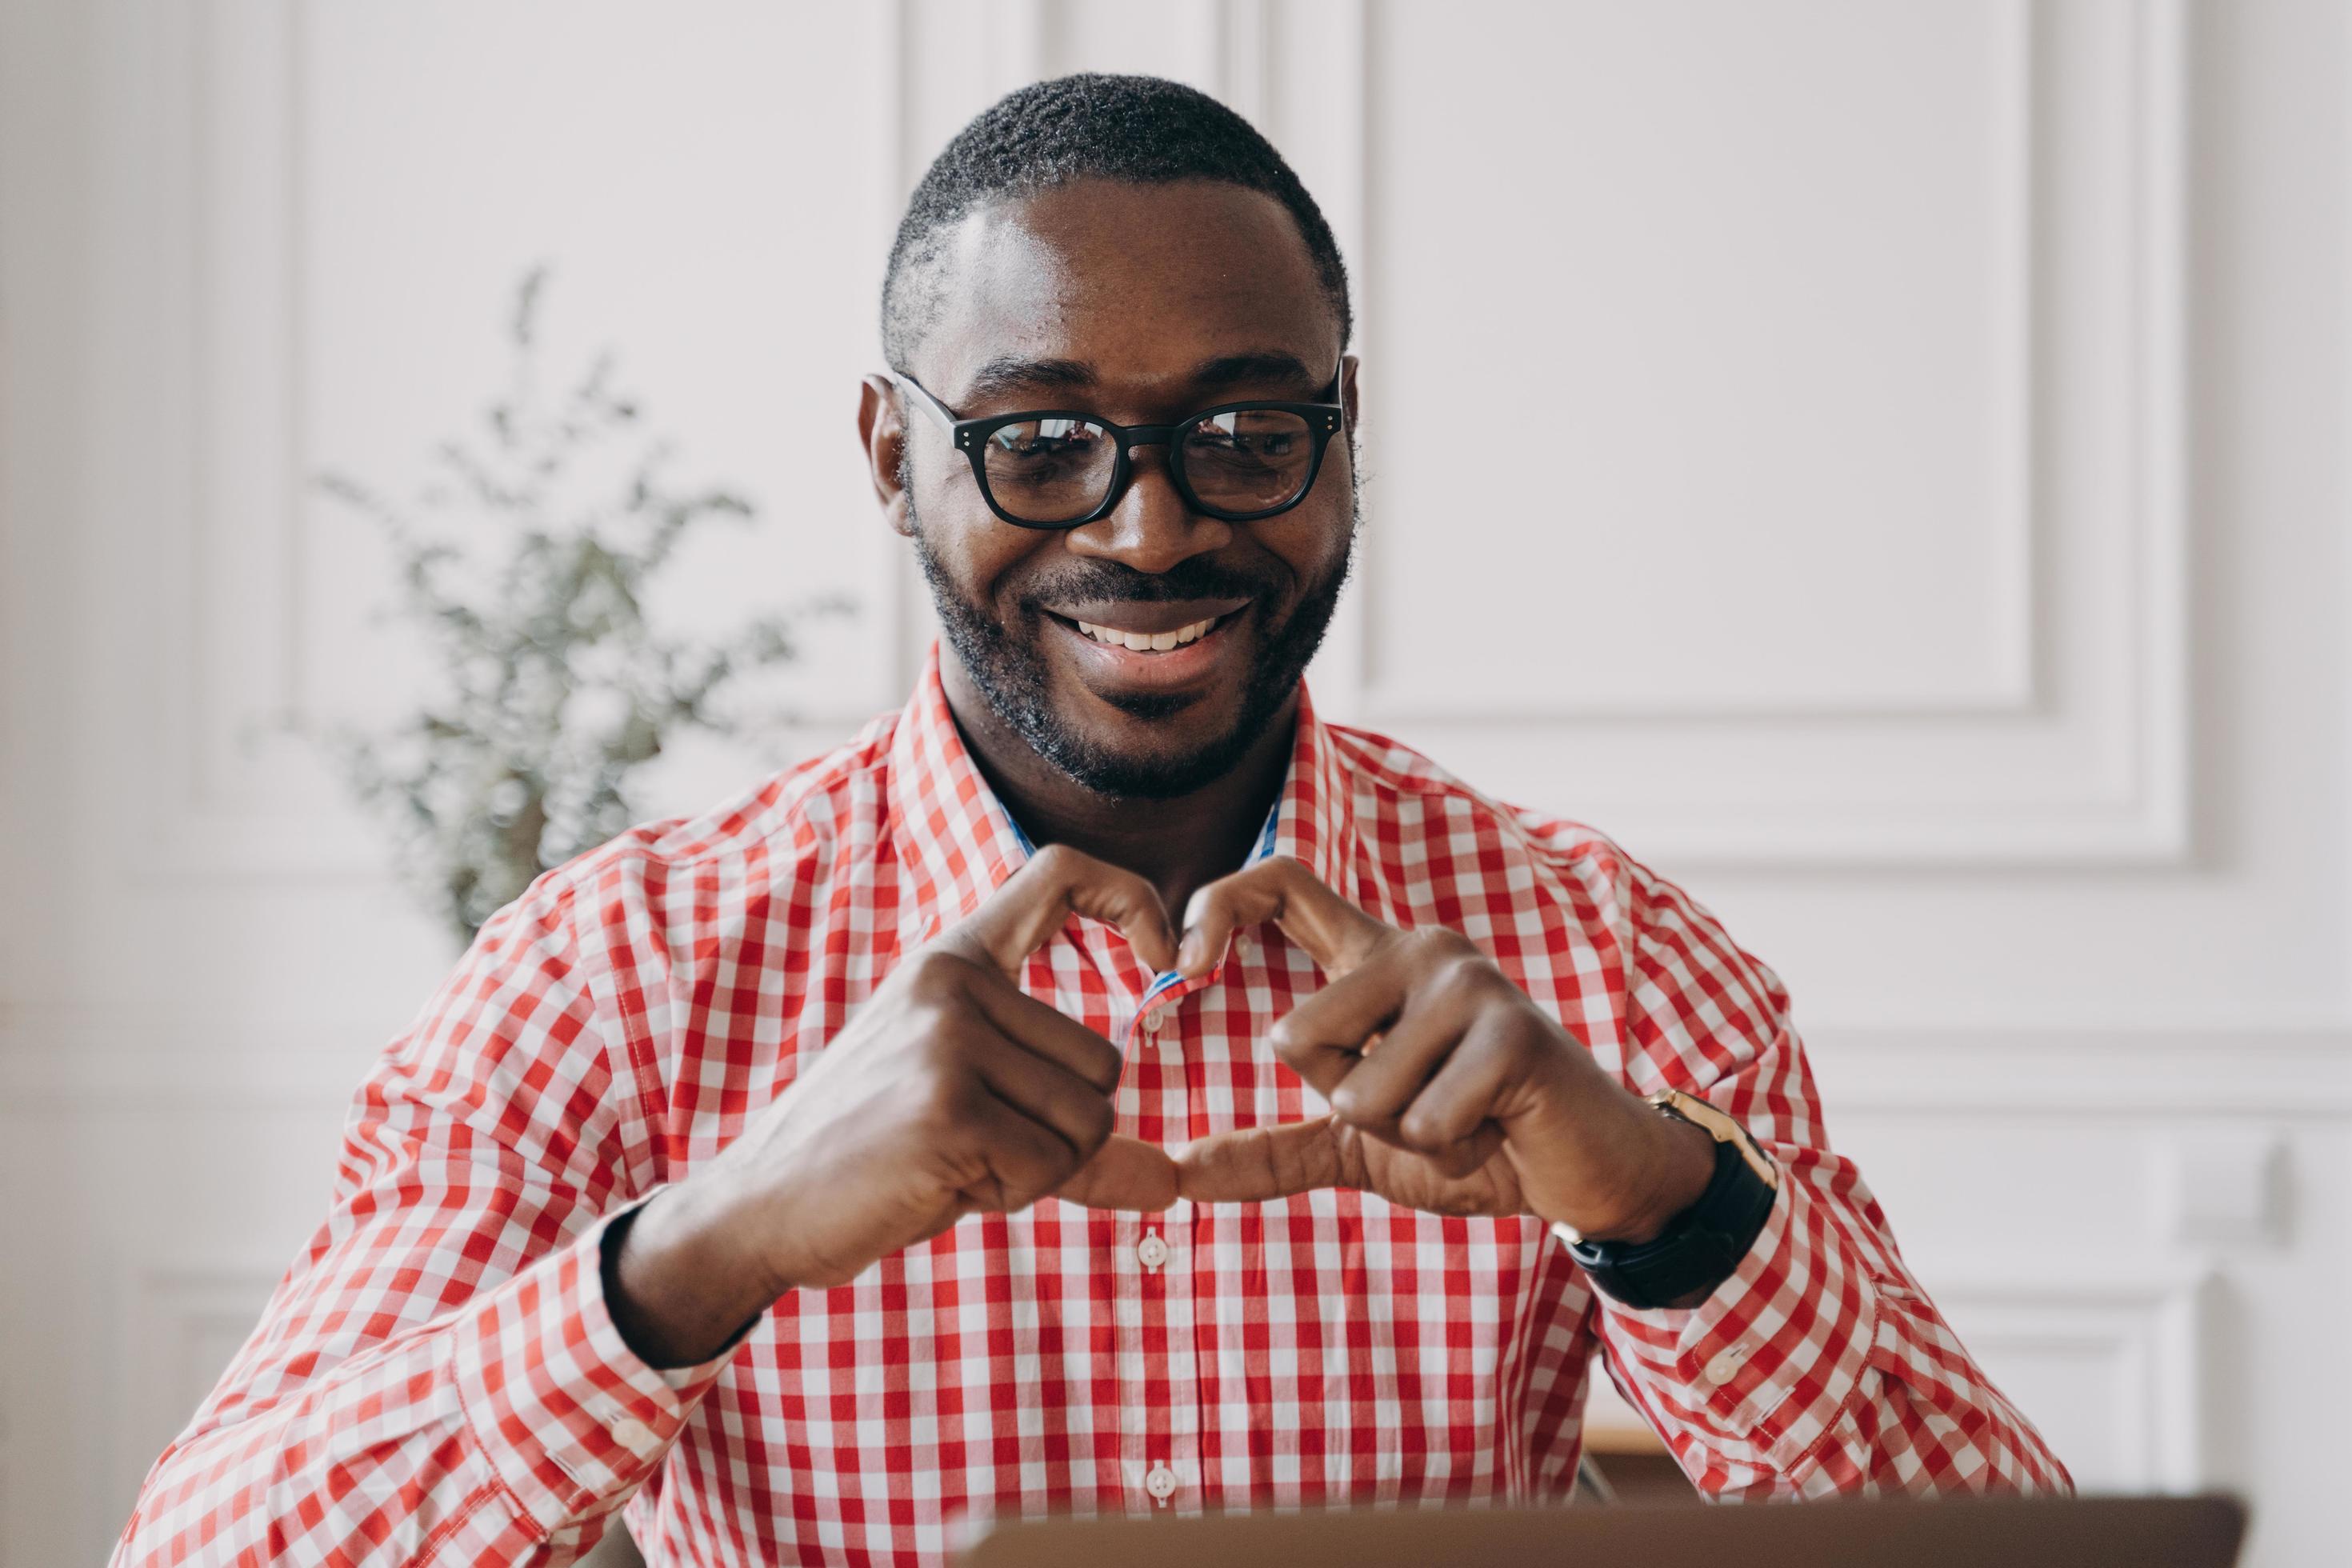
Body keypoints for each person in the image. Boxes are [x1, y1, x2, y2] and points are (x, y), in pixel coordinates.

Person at [114, 73, 2066, 1567]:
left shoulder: (1610, 960)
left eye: (1244, 432)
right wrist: (704, 1243)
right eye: (1039, 440)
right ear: (894, 456)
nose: (1150, 528)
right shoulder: (616, 975)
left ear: (1344, 434)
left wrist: (1666, 1208)